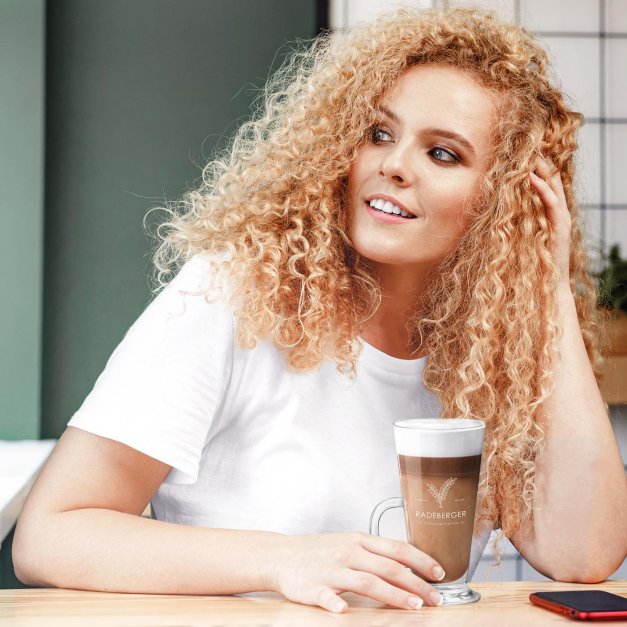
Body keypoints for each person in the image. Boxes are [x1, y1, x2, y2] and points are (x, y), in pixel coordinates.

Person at [13, 5, 627, 615]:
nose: (393, 165)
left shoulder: (492, 358)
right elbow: (51, 534)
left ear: (504, 202)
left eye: (442, 154)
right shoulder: (233, 294)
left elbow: (585, 556)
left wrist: (544, 280)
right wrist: (283, 560)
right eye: (379, 133)